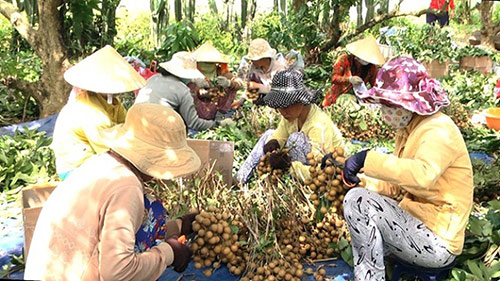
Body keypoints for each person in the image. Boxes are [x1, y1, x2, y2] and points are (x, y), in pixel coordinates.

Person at [333, 57, 473, 280]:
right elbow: (397, 184)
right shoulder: (410, 129)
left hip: (438, 241)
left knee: (357, 202)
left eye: (390, 105)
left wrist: (367, 159)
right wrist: (363, 179)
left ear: (409, 104)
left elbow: (422, 175)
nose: (385, 111)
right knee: (360, 195)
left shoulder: (438, 130)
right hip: (419, 225)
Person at [25, 103, 201, 280]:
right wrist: (168, 253)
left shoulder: (101, 163)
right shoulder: (127, 187)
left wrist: (177, 227)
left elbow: (125, 228)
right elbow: (118, 273)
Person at [51, 45, 146, 180]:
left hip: (98, 158)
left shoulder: (112, 102)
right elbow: (110, 151)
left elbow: (126, 129)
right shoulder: (91, 111)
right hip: (76, 168)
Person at [236, 69, 344, 184]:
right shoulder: (291, 115)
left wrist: (288, 165)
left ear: (301, 101)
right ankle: (239, 179)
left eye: (287, 106)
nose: (283, 112)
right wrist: (273, 143)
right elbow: (280, 134)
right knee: (268, 135)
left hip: (321, 173)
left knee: (296, 138)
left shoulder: (318, 125)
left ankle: (297, 184)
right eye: (280, 107)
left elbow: (320, 170)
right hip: (302, 164)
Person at [135, 51, 231, 131]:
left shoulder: (154, 78)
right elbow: (193, 123)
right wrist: (218, 124)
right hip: (157, 130)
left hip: (135, 122)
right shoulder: (182, 90)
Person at [322, 36, 384, 107]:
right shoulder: (344, 59)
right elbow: (334, 78)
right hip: (336, 97)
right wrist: (349, 79)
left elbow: (375, 85)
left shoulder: (371, 67)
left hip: (355, 102)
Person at [190, 41, 244, 120]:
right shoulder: (191, 72)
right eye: (204, 62)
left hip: (216, 106)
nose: (207, 65)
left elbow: (240, 83)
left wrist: (228, 83)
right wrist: (194, 81)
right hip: (196, 108)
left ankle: (220, 115)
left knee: (231, 87)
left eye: (210, 63)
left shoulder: (221, 72)